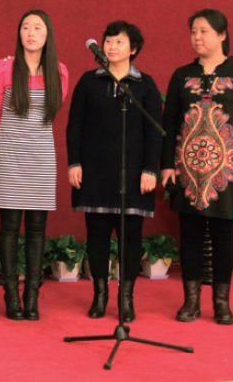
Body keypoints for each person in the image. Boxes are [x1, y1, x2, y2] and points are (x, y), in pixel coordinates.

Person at [161, 8, 233, 325]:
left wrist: (227, 146)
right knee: (190, 233)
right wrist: (167, 166)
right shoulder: (181, 75)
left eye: (203, 31)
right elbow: (169, 123)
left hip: (225, 169)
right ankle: (191, 301)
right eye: (193, 31)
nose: (197, 37)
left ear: (222, 35)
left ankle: (222, 303)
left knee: (223, 234)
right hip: (187, 168)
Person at [66, 21, 162, 322]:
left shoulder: (145, 85)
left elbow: (154, 131)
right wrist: (74, 162)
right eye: (108, 41)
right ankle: (99, 295)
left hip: (133, 175)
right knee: (96, 235)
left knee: (130, 237)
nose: (111, 46)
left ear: (133, 49)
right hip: (94, 172)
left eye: (119, 42)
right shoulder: (88, 81)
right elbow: (74, 126)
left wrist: (150, 169)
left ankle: (126, 298)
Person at [0, 10, 68, 321]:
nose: (31, 33)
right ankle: (10, 295)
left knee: (36, 229)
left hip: (41, 157)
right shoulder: (3, 69)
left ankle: (31, 295)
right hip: (9, 155)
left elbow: (51, 114)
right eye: (25, 27)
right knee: (8, 228)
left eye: (37, 27)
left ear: (48, 35)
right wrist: (5, 150)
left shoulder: (59, 72)